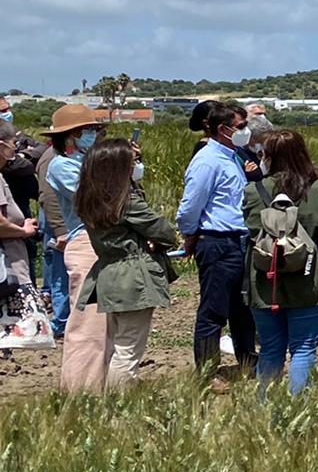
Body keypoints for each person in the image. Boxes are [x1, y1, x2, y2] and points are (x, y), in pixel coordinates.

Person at [70, 138, 178, 388]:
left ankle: (112, 398)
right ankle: (121, 406)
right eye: (132, 163)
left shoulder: (90, 198)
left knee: (117, 344)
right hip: (134, 278)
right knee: (128, 350)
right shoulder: (126, 201)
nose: (135, 167)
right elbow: (163, 230)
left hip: (109, 274)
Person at [244, 129, 318, 392]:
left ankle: (265, 409)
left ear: (268, 156)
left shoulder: (254, 190)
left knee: (271, 348)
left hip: (265, 280)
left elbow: (251, 228)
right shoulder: (317, 189)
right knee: (304, 348)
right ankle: (297, 410)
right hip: (308, 279)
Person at [176, 100, 259, 376]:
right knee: (213, 312)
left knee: (242, 309)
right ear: (223, 129)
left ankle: (247, 362)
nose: (246, 131)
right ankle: (207, 372)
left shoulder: (234, 155)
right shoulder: (207, 161)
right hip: (217, 241)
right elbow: (190, 206)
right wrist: (189, 235)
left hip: (239, 240)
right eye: (241, 126)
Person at [37, 104, 102, 341]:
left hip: (97, 238)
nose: (93, 134)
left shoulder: (87, 160)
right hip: (83, 238)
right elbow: (91, 197)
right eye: (88, 130)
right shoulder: (61, 165)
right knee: (85, 312)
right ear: (71, 135)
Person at [0, 98, 43, 285]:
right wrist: (22, 231)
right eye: (13, 146)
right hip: (7, 260)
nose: (14, 151)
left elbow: (40, 150)